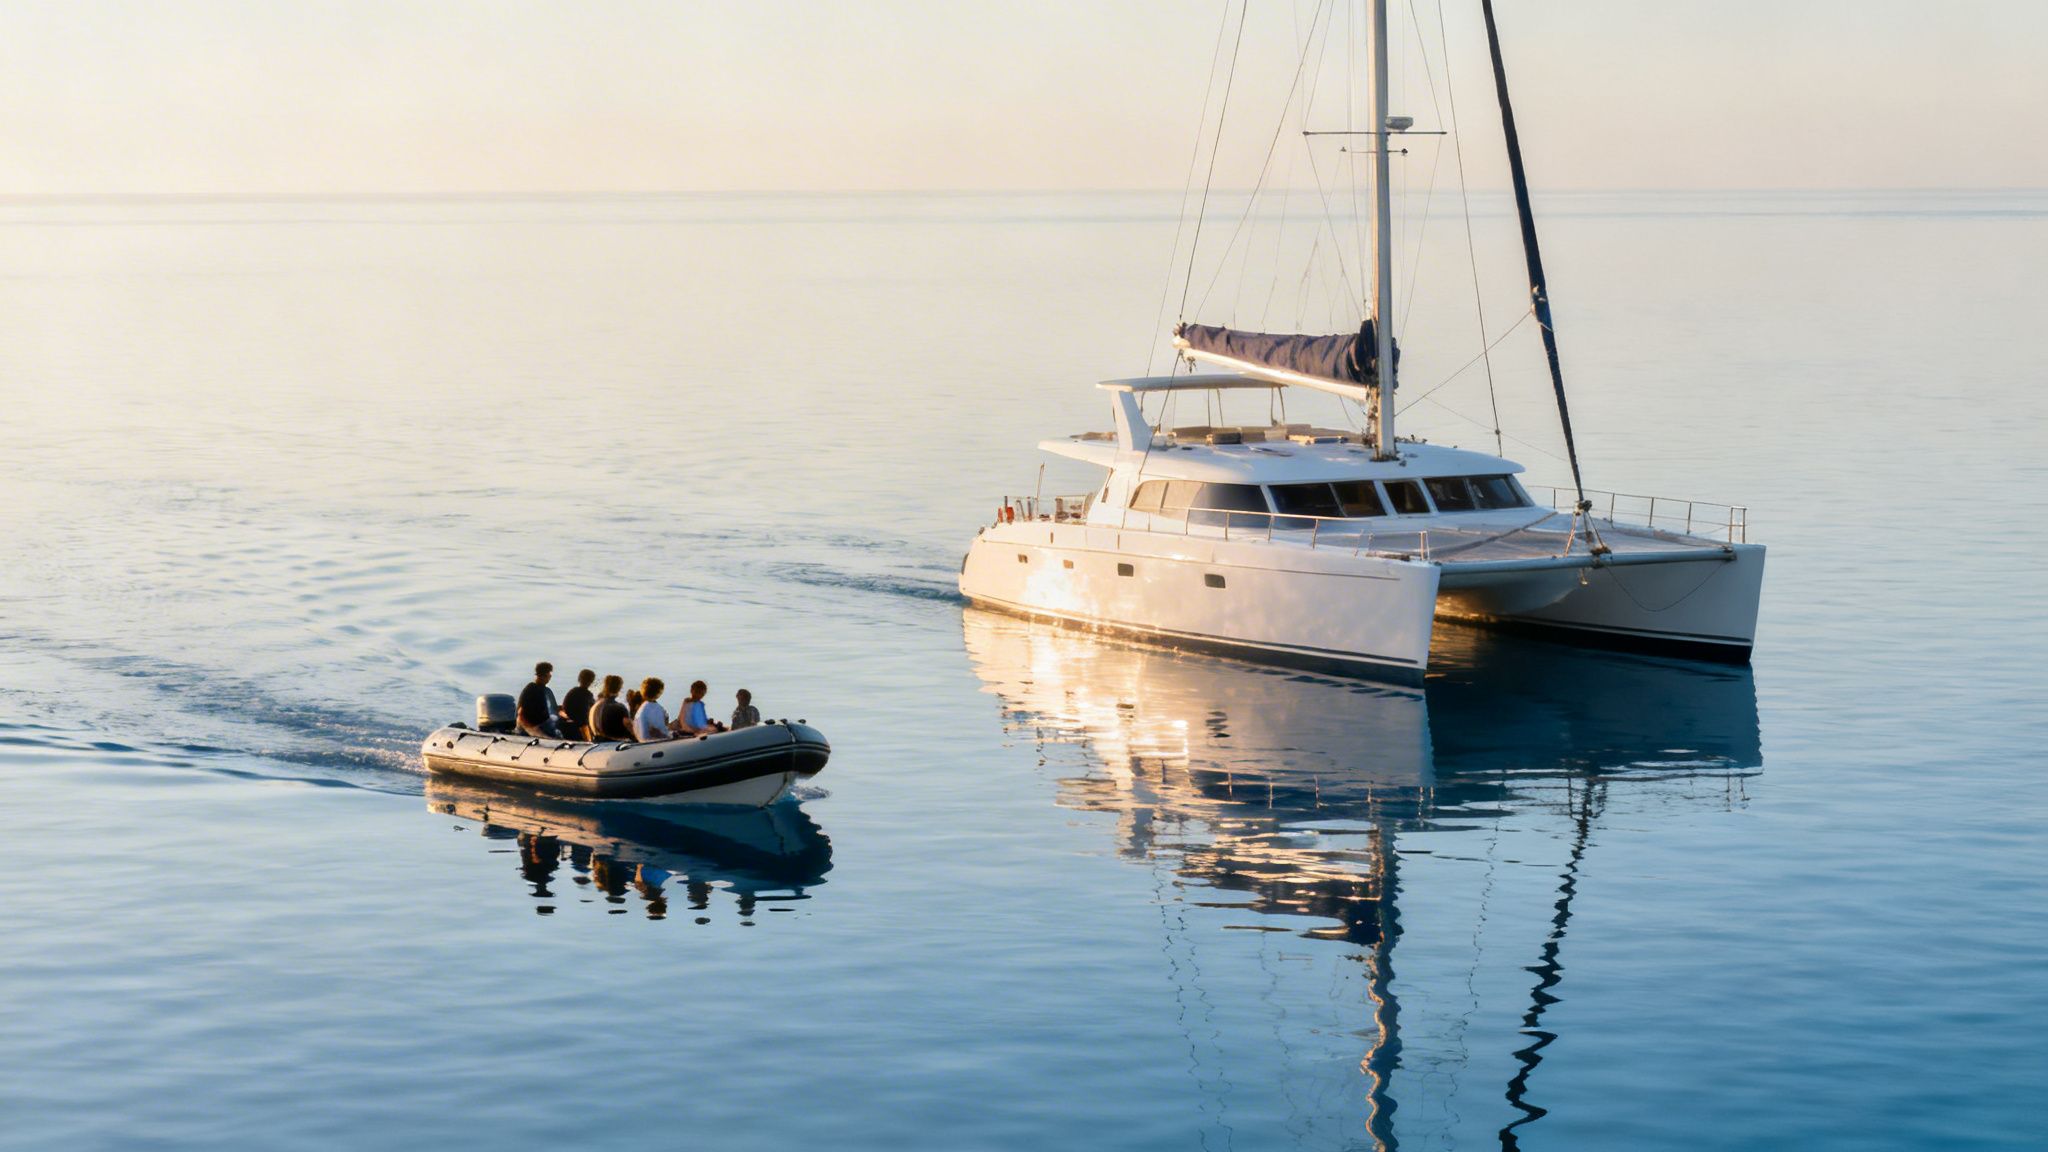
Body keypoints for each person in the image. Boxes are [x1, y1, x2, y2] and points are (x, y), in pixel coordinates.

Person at [517, 662, 562, 739]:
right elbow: (521, 714)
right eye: (549, 675)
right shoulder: (531, 690)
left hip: (545, 724)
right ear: (543, 675)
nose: (550, 678)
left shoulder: (544, 690)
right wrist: (538, 733)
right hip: (535, 728)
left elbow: (550, 709)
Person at [588, 675, 633, 742]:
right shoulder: (619, 708)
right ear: (619, 688)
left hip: (597, 742)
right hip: (614, 745)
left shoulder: (595, 706)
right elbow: (630, 728)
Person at [559, 669, 596, 741]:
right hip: (578, 730)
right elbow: (584, 719)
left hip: (566, 726)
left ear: (579, 679)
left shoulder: (572, 691)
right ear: (591, 682)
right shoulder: (587, 695)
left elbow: (564, 707)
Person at [633, 677, 671, 742]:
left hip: (643, 741)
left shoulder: (643, 707)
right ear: (658, 692)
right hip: (654, 741)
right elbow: (654, 730)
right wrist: (669, 737)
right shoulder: (653, 708)